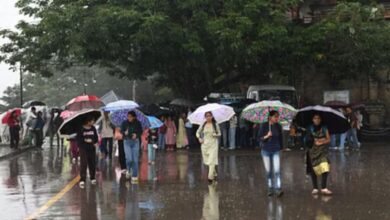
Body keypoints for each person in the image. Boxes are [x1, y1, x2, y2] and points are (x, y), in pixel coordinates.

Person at [305, 114, 332, 196]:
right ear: (312, 119)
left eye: (318, 118)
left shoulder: (324, 128)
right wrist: (313, 140)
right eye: (315, 118)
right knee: (314, 169)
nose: (316, 120)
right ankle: (315, 188)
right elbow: (307, 139)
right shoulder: (309, 128)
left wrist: (321, 142)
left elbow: (328, 139)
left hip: (323, 151)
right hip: (312, 151)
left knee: (325, 168)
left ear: (321, 119)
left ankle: (324, 187)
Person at [258, 111, 284, 197]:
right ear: (270, 117)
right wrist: (267, 136)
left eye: (278, 116)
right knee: (268, 171)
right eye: (275, 116)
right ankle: (270, 188)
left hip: (276, 150)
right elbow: (259, 138)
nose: (277, 118)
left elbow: (281, 139)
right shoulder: (264, 125)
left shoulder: (278, 126)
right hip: (266, 150)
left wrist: (281, 148)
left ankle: (278, 188)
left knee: (277, 171)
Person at [196, 111, 221, 184]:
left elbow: (219, 133)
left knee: (211, 161)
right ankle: (214, 172)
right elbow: (198, 132)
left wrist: (215, 135)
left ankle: (210, 178)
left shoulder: (215, 124)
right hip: (204, 145)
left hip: (213, 144)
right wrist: (199, 138)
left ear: (212, 116)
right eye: (206, 116)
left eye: (209, 115)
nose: (208, 117)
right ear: (205, 117)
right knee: (207, 162)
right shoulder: (203, 124)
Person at [77, 115, 99, 188]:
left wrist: (95, 142)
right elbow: (79, 140)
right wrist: (85, 140)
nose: (93, 122)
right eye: (92, 120)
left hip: (92, 148)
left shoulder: (93, 128)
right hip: (83, 148)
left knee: (92, 162)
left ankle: (92, 177)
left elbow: (96, 138)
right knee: (84, 163)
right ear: (88, 121)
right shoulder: (81, 129)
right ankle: (82, 179)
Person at [121, 111, 143, 184]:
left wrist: (136, 135)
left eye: (130, 116)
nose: (129, 118)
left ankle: (134, 176)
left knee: (135, 160)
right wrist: (124, 133)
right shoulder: (124, 123)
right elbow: (121, 130)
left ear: (134, 117)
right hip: (127, 142)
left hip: (135, 142)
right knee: (129, 158)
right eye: (128, 116)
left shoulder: (138, 123)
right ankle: (128, 169)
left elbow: (140, 131)